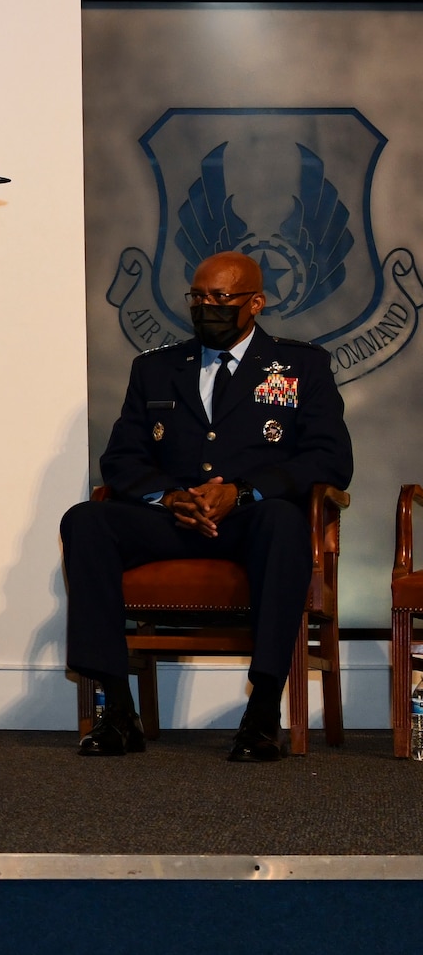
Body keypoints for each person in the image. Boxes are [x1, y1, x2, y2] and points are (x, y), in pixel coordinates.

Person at [63, 250, 352, 762]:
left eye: (221, 298)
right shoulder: (154, 369)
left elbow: (330, 459)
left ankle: (263, 713)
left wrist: (240, 491)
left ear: (256, 303)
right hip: (173, 518)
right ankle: (118, 711)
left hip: (249, 520)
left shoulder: (303, 365)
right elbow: (122, 458)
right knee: (85, 521)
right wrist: (170, 496)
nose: (206, 307)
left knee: (285, 522)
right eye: (198, 297)